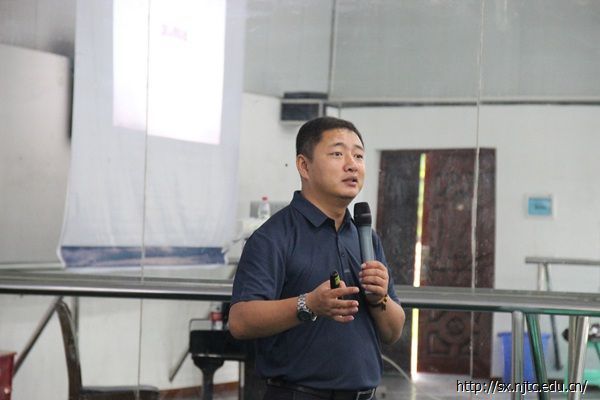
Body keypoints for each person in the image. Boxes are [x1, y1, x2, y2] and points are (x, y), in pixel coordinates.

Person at [229, 116, 405, 400]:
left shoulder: (366, 237)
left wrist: (379, 299)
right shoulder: (274, 236)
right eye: (337, 154)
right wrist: (309, 304)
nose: (352, 164)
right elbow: (240, 321)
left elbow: (392, 332)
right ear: (304, 166)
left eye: (359, 156)